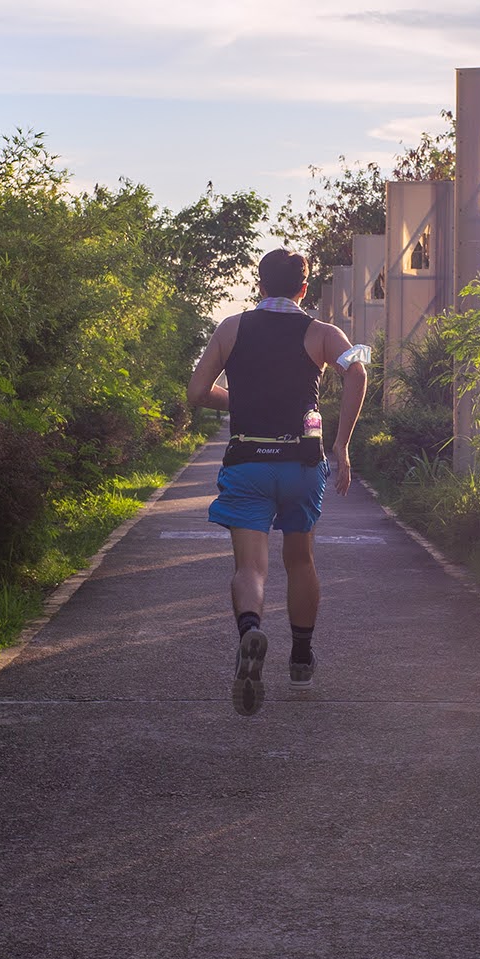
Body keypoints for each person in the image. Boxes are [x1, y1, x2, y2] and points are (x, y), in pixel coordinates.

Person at [186, 248, 367, 716]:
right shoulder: (323, 334)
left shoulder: (232, 328)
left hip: (247, 459)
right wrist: (341, 446)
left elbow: (197, 393)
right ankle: (301, 658)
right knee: (300, 558)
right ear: (303, 289)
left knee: (251, 567)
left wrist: (242, 402)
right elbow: (358, 371)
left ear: (260, 285)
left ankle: (250, 631)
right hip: (301, 464)